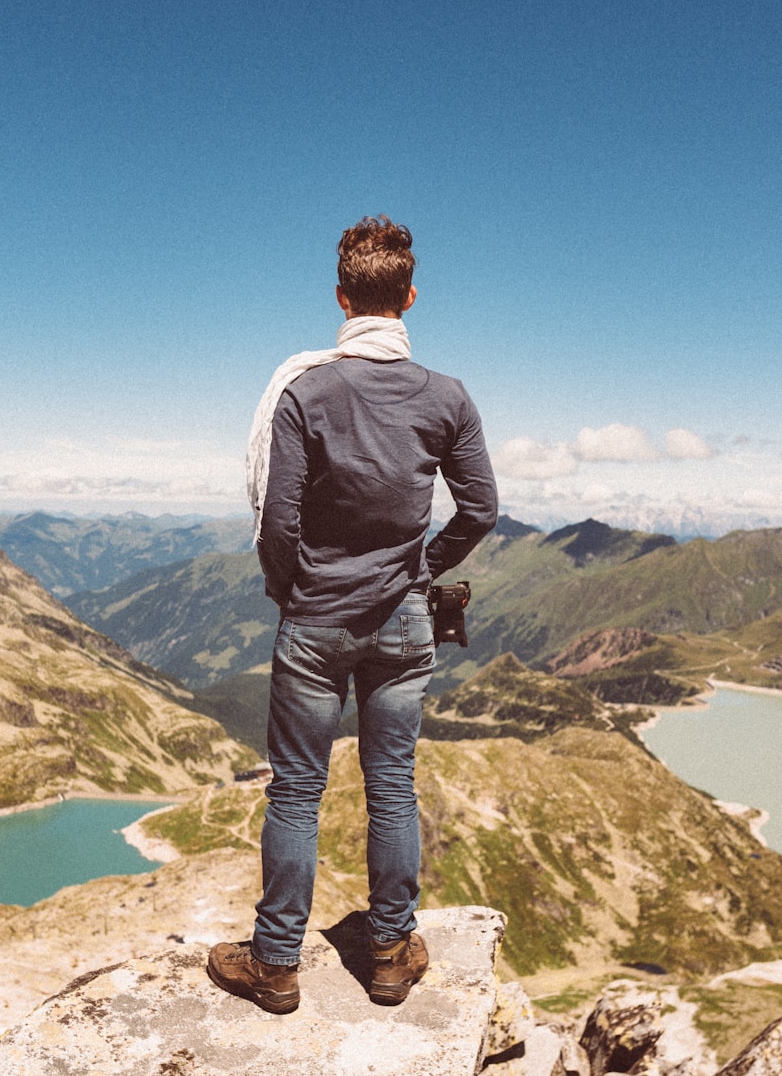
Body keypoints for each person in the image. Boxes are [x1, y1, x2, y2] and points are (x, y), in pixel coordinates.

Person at [207, 215, 498, 1014]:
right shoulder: (447, 396)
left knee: (297, 791)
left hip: (315, 619)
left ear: (341, 297)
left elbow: (278, 521)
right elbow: (480, 509)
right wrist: (422, 567)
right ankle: (392, 955)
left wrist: (293, 591)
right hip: (404, 620)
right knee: (392, 785)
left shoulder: (305, 393)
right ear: (411, 297)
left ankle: (275, 965)